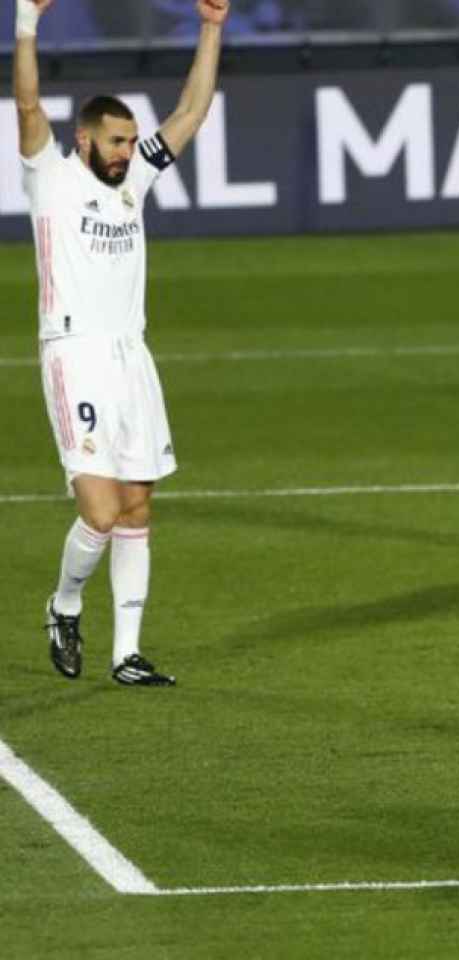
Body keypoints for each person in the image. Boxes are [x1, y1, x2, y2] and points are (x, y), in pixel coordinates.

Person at [20, 0, 230, 687]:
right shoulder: (49, 177)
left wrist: (212, 27)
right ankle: (65, 602)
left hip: (130, 356)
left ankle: (127, 654)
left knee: (138, 504)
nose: (126, 151)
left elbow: (191, 114)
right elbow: (26, 106)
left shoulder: (133, 178)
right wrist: (27, 24)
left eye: (129, 140)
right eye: (115, 141)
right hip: (73, 354)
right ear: (85, 140)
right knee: (101, 510)